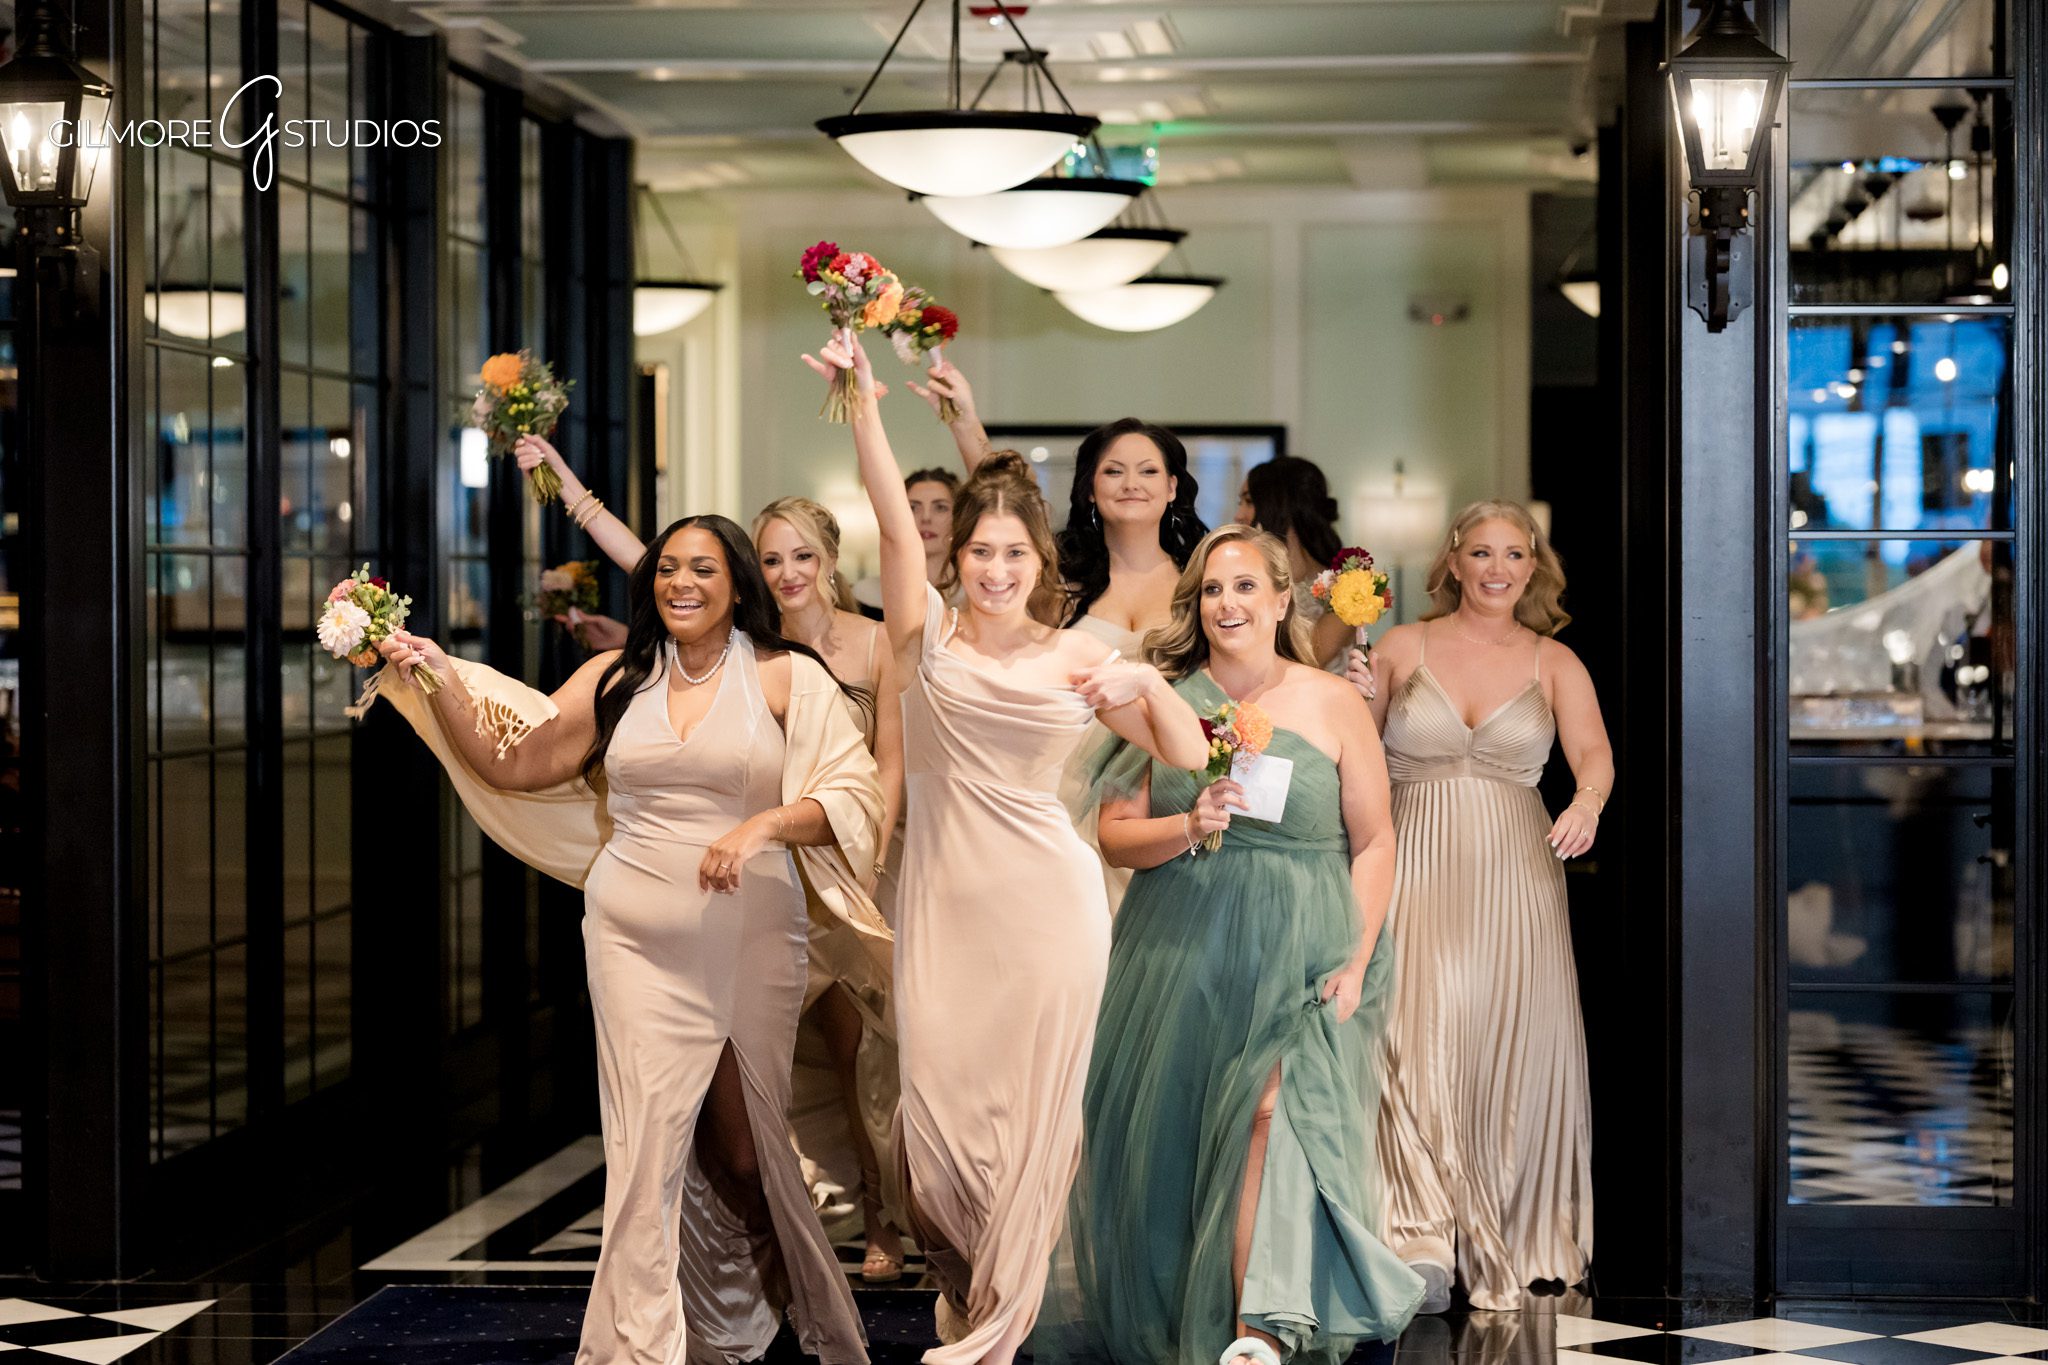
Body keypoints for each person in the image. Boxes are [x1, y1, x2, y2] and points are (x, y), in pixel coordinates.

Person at [365, 515, 883, 1365]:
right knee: (645, 1143)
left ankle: (758, 1291)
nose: (681, 582)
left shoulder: (788, 677)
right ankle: (639, 1346)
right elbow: (516, 763)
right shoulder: (618, 675)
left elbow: (853, 799)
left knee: (747, 1152)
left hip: (750, 933)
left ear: (738, 583)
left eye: (703, 569)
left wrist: (762, 827)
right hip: (631, 935)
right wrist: (433, 675)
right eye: (668, 568)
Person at [803, 327, 1208, 1365]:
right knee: (929, 1130)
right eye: (977, 552)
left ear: (1039, 564)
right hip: (943, 905)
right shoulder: (922, 636)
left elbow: (1188, 756)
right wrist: (861, 404)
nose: (991, 568)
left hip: (1049, 908)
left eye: (1011, 554)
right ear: (958, 561)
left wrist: (1148, 685)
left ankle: (1002, 1315)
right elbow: (893, 526)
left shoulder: (1083, 655)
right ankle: (971, 1282)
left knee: (1035, 1122)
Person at [1042, 525, 1423, 1365]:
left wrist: (1357, 956)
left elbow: (1375, 839)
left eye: (1247, 586)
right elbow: (1114, 834)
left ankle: (1262, 1327)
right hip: (1183, 941)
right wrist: (1189, 822)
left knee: (1271, 1116)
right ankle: (1205, 1314)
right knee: (1184, 1133)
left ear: (1284, 600)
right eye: (1213, 589)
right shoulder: (1165, 697)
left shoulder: (1332, 701)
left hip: (1307, 940)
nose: (1228, 603)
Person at [1352, 499, 1613, 1313]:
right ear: (1453, 562)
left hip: (1516, 876)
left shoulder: (1555, 661)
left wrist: (1589, 804)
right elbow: (1352, 752)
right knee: (1409, 1033)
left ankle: (1508, 1216)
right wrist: (1349, 688)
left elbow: (1595, 754)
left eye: (1513, 555)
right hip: (1411, 861)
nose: (1497, 568)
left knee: (1508, 1041)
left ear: (1532, 568)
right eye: (1481, 553)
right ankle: (1418, 1231)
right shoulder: (1402, 645)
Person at [912, 359, 1209, 915]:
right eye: (1113, 471)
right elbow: (1005, 512)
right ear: (1090, 487)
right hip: (1072, 776)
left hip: (1169, 771)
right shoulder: (1060, 577)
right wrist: (964, 422)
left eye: (1147, 472)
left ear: (1172, 486)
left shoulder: (1202, 579)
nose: (1130, 484)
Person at [753, 495, 909, 1283]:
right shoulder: (750, 649)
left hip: (863, 863)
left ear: (829, 559)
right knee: (769, 1053)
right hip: (780, 865)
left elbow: (892, 758)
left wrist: (867, 859)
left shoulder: (875, 641)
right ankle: (780, 1217)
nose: (787, 574)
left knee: (863, 1048)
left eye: (801, 556)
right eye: (772, 559)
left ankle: (884, 1211)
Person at [1237, 456, 1352, 669]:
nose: (1238, 515)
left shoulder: (1349, 586)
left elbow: (1310, 659)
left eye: (1249, 501)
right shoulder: (1247, 577)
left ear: (1280, 505)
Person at [854, 467, 961, 618]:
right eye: (913, 507)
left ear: (958, 518)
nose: (926, 517)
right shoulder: (866, 593)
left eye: (940, 507)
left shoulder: (975, 594)